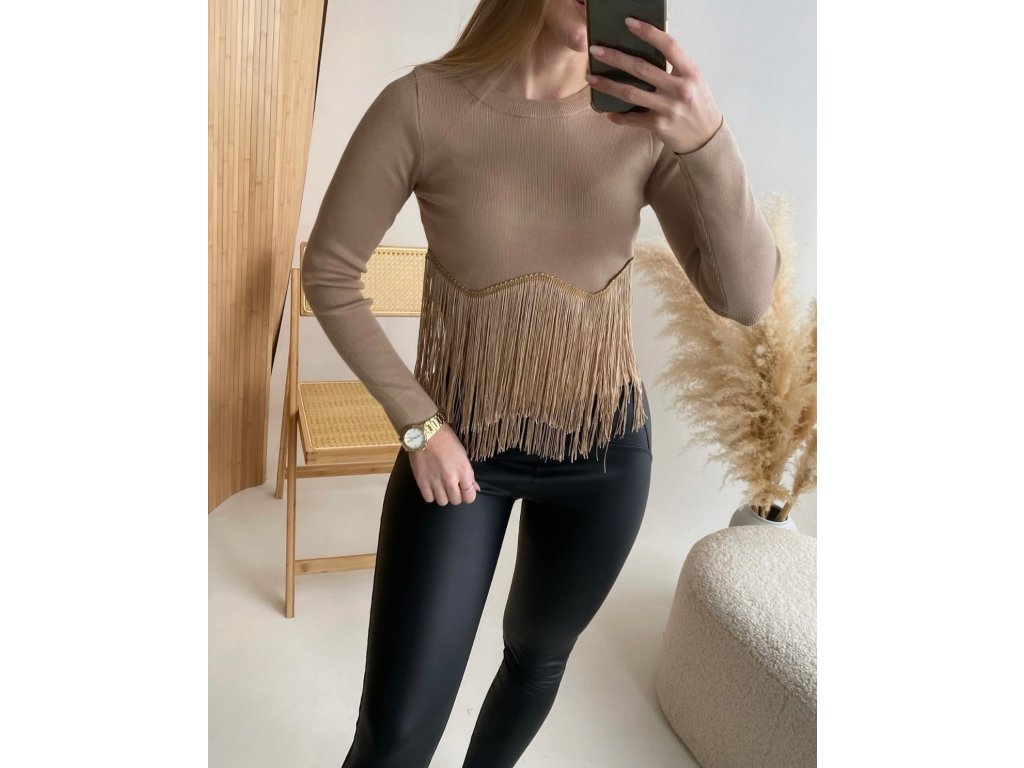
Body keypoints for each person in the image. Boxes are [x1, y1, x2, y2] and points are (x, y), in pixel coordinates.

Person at [301, 0, 780, 765]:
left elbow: (746, 299)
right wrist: (419, 424)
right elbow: (329, 273)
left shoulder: (645, 122)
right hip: (460, 450)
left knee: (536, 661)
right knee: (393, 737)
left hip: (603, 454)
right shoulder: (423, 105)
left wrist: (708, 142)